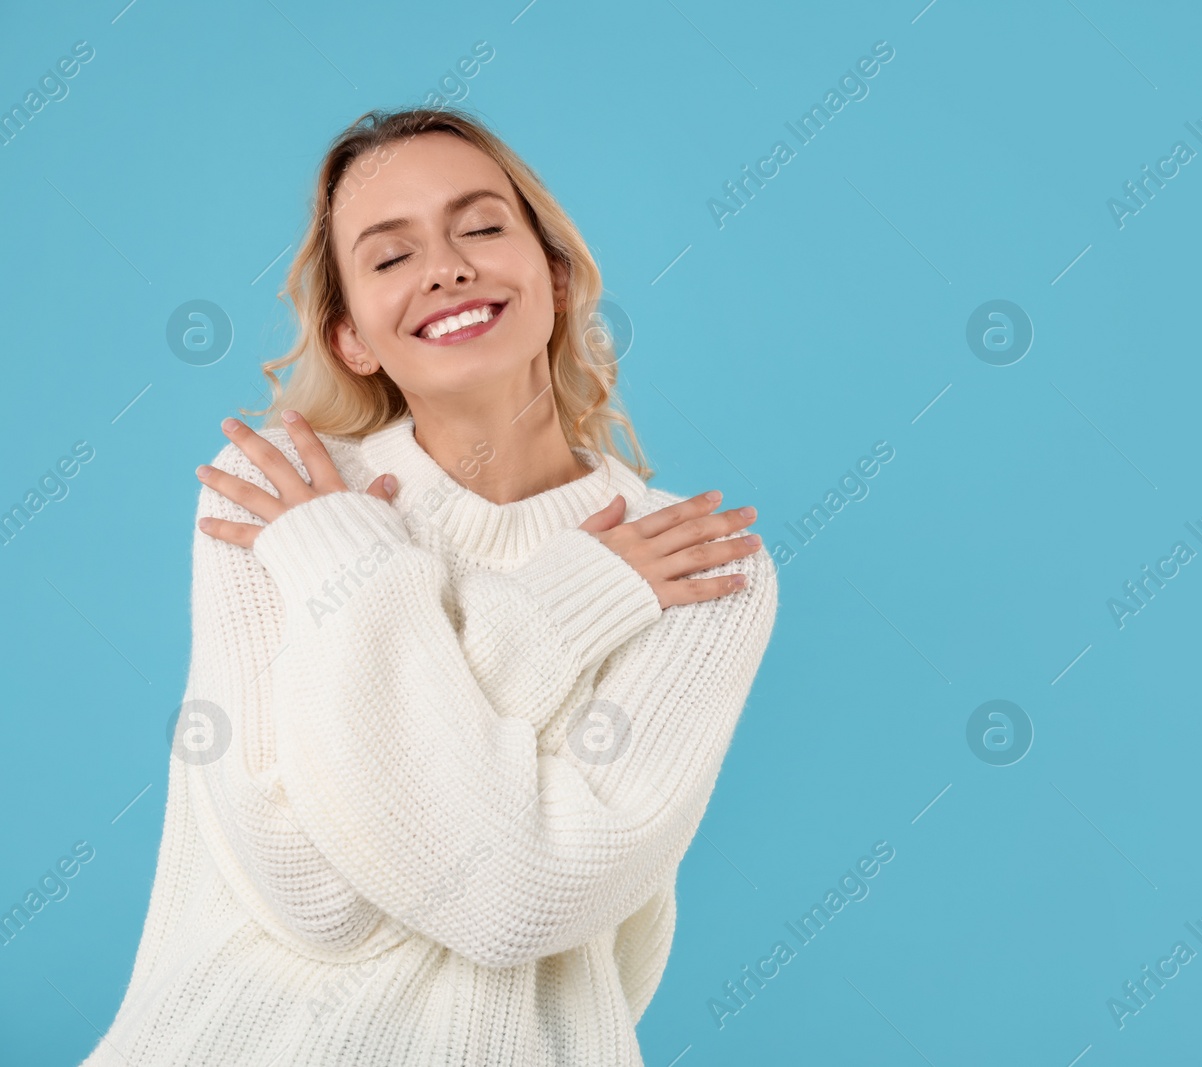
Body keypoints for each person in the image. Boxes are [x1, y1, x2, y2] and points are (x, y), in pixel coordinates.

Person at [79, 107, 777, 1066]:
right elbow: (308, 887)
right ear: (352, 335)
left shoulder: (699, 560)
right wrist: (563, 605)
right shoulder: (285, 500)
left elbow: (522, 897)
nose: (445, 267)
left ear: (558, 278)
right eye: (388, 255)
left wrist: (361, 590)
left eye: (482, 226)